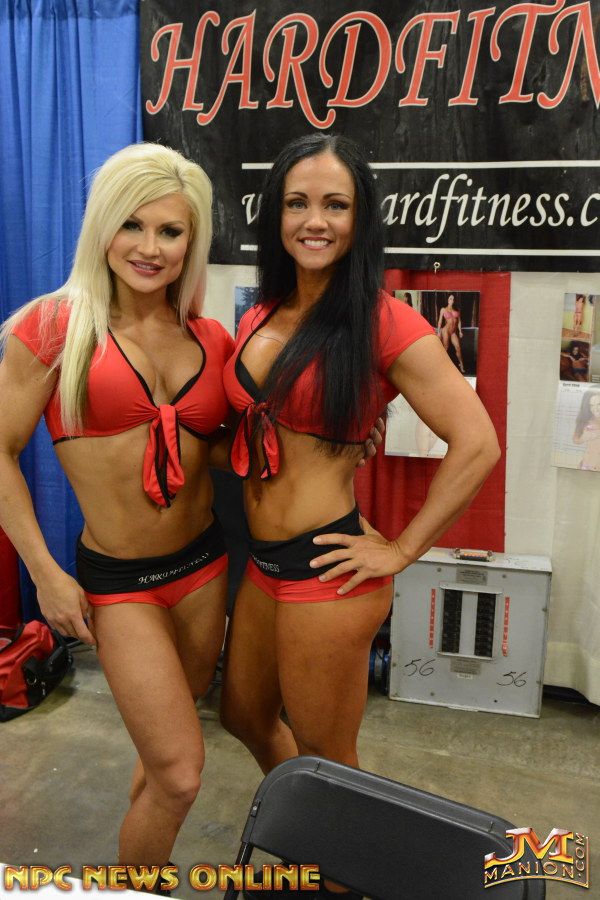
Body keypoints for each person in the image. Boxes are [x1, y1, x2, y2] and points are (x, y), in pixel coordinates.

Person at [219, 134, 500, 897]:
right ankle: (314, 831)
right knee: (244, 714)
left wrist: (402, 550)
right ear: (275, 213)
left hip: (327, 570)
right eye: (298, 203)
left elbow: (477, 442)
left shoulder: (384, 321)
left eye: (335, 205)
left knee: (329, 757)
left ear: (360, 217)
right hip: (263, 564)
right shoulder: (264, 309)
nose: (315, 220)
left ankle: (341, 868)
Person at [0, 143, 234, 884]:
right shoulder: (53, 328)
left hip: (204, 570)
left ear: (192, 241)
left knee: (162, 762)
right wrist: (45, 574)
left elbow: (223, 454)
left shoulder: (209, 337)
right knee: (182, 774)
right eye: (132, 224)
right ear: (101, 226)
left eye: (170, 231)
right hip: (120, 586)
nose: (149, 247)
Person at [437, 293, 465, 373]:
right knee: (446, 348)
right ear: (448, 300)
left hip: (453, 332)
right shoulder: (443, 309)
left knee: (458, 348)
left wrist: (460, 331)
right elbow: (440, 322)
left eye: (453, 299)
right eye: (450, 299)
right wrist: (438, 332)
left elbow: (459, 321)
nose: (452, 300)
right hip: (446, 331)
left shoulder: (457, 310)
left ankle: (461, 365)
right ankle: (441, 366)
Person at [573, 390, 600, 471]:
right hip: (588, 465)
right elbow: (576, 440)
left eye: (599, 404)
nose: (595, 409)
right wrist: (585, 437)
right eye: (591, 405)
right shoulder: (586, 420)